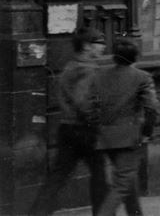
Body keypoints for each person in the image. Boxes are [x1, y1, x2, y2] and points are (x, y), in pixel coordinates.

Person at [29, 27, 107, 216]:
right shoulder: (89, 70)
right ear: (87, 46)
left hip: (67, 128)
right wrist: (96, 120)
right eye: (99, 44)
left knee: (58, 176)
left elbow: (64, 97)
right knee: (100, 177)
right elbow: (83, 101)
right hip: (87, 130)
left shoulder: (69, 67)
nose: (103, 48)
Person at [92, 38, 160, 216]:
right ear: (135, 57)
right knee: (122, 183)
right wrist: (147, 133)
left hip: (105, 135)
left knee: (127, 177)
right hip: (128, 136)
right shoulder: (142, 77)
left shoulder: (99, 74)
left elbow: (91, 104)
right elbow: (151, 108)